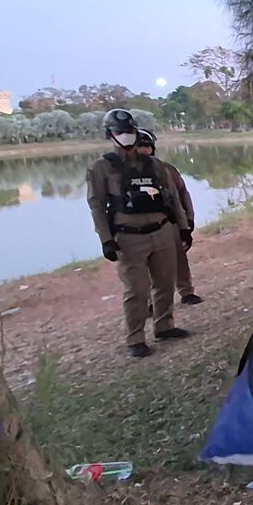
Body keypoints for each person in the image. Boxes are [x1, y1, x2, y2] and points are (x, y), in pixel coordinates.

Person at [86, 109, 192, 358]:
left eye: (129, 131)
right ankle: (135, 338)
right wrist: (106, 240)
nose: (126, 137)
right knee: (136, 290)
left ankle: (164, 326)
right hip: (129, 237)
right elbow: (97, 205)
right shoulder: (101, 168)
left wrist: (184, 228)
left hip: (162, 231)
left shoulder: (155, 165)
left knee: (165, 283)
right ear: (110, 135)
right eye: (120, 132)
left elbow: (173, 197)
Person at [136, 129, 203, 305]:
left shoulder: (165, 169)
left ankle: (186, 291)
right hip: (140, 227)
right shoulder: (124, 174)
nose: (143, 150)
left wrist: (188, 221)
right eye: (139, 146)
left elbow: (182, 195)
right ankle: (151, 303)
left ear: (152, 148)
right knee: (146, 266)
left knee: (179, 257)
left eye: (146, 146)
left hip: (169, 222)